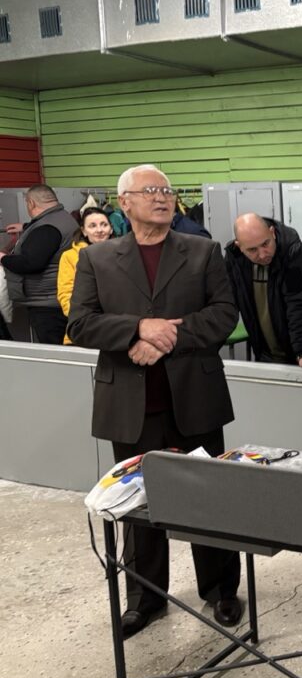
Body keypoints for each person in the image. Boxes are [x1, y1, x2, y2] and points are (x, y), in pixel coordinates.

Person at [67, 164, 243, 638]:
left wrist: (165, 338)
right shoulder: (97, 258)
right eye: (150, 190)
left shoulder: (202, 251)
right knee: (136, 503)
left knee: (208, 499)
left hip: (194, 398)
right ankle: (144, 598)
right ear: (124, 202)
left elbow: (224, 314)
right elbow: (80, 323)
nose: (162, 197)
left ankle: (222, 590)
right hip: (130, 404)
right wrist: (136, 330)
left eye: (166, 190)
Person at [224, 213, 302, 370]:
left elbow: (299, 304)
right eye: (252, 250)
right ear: (239, 246)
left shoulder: (294, 253)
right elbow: (227, 303)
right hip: (266, 353)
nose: (262, 254)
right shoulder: (234, 260)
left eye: (265, 244)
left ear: (272, 233)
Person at [0, 185, 78, 343]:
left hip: (47, 305)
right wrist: (25, 227)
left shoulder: (46, 229)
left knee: (54, 350)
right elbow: (49, 237)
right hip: (56, 298)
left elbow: (31, 263)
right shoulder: (63, 218)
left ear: (31, 203)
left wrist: (3, 258)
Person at [57, 207, 113, 344]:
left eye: (104, 225)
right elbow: (66, 295)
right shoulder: (70, 256)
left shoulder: (123, 254)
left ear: (111, 229)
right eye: (92, 226)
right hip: (84, 330)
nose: (99, 230)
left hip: (116, 330)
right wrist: (85, 319)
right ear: (83, 231)